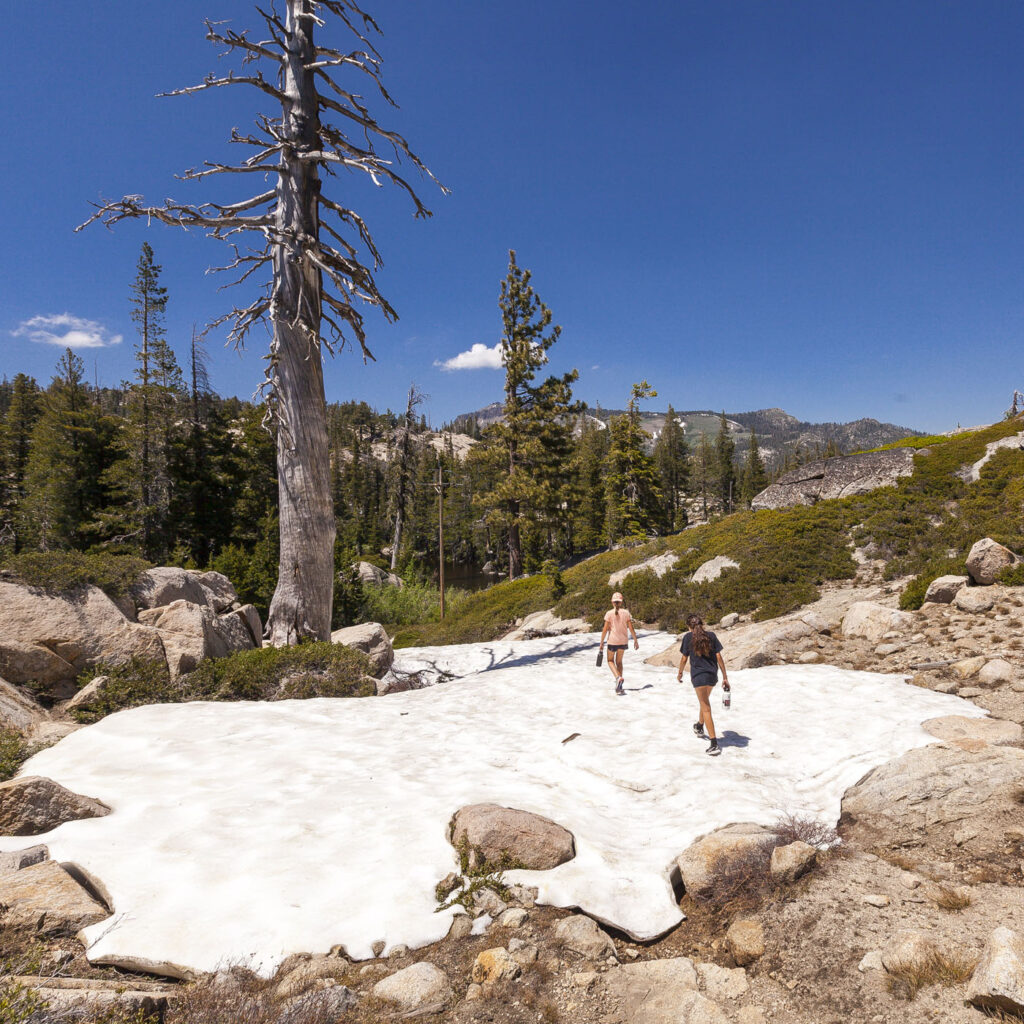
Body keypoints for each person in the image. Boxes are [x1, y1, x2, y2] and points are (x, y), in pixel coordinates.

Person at [677, 613, 731, 756]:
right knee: (704, 702)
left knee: (706, 707)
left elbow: (684, 658)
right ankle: (700, 726)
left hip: (699, 677)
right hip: (712, 676)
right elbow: (718, 656)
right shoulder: (711, 636)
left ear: (689, 626)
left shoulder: (688, 637)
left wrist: (680, 673)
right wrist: (725, 677)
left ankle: (714, 743)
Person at [599, 591, 638, 695]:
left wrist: (601, 642)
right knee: (619, 662)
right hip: (623, 641)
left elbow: (605, 629)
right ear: (621, 602)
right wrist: (635, 640)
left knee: (610, 660)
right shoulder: (626, 613)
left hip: (612, 641)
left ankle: (618, 678)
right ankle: (619, 686)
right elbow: (631, 628)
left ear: (612, 602)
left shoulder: (609, 613)